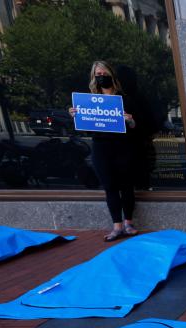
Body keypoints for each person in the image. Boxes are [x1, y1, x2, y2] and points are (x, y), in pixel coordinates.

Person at [69, 61, 141, 242]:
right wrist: (76, 116)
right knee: (109, 187)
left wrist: (130, 120)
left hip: (123, 147)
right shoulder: (89, 102)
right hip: (101, 148)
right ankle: (116, 226)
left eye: (103, 72)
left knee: (126, 186)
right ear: (94, 78)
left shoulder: (125, 99)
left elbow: (136, 127)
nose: (101, 76)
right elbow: (87, 129)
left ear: (111, 74)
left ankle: (128, 223)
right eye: (97, 74)